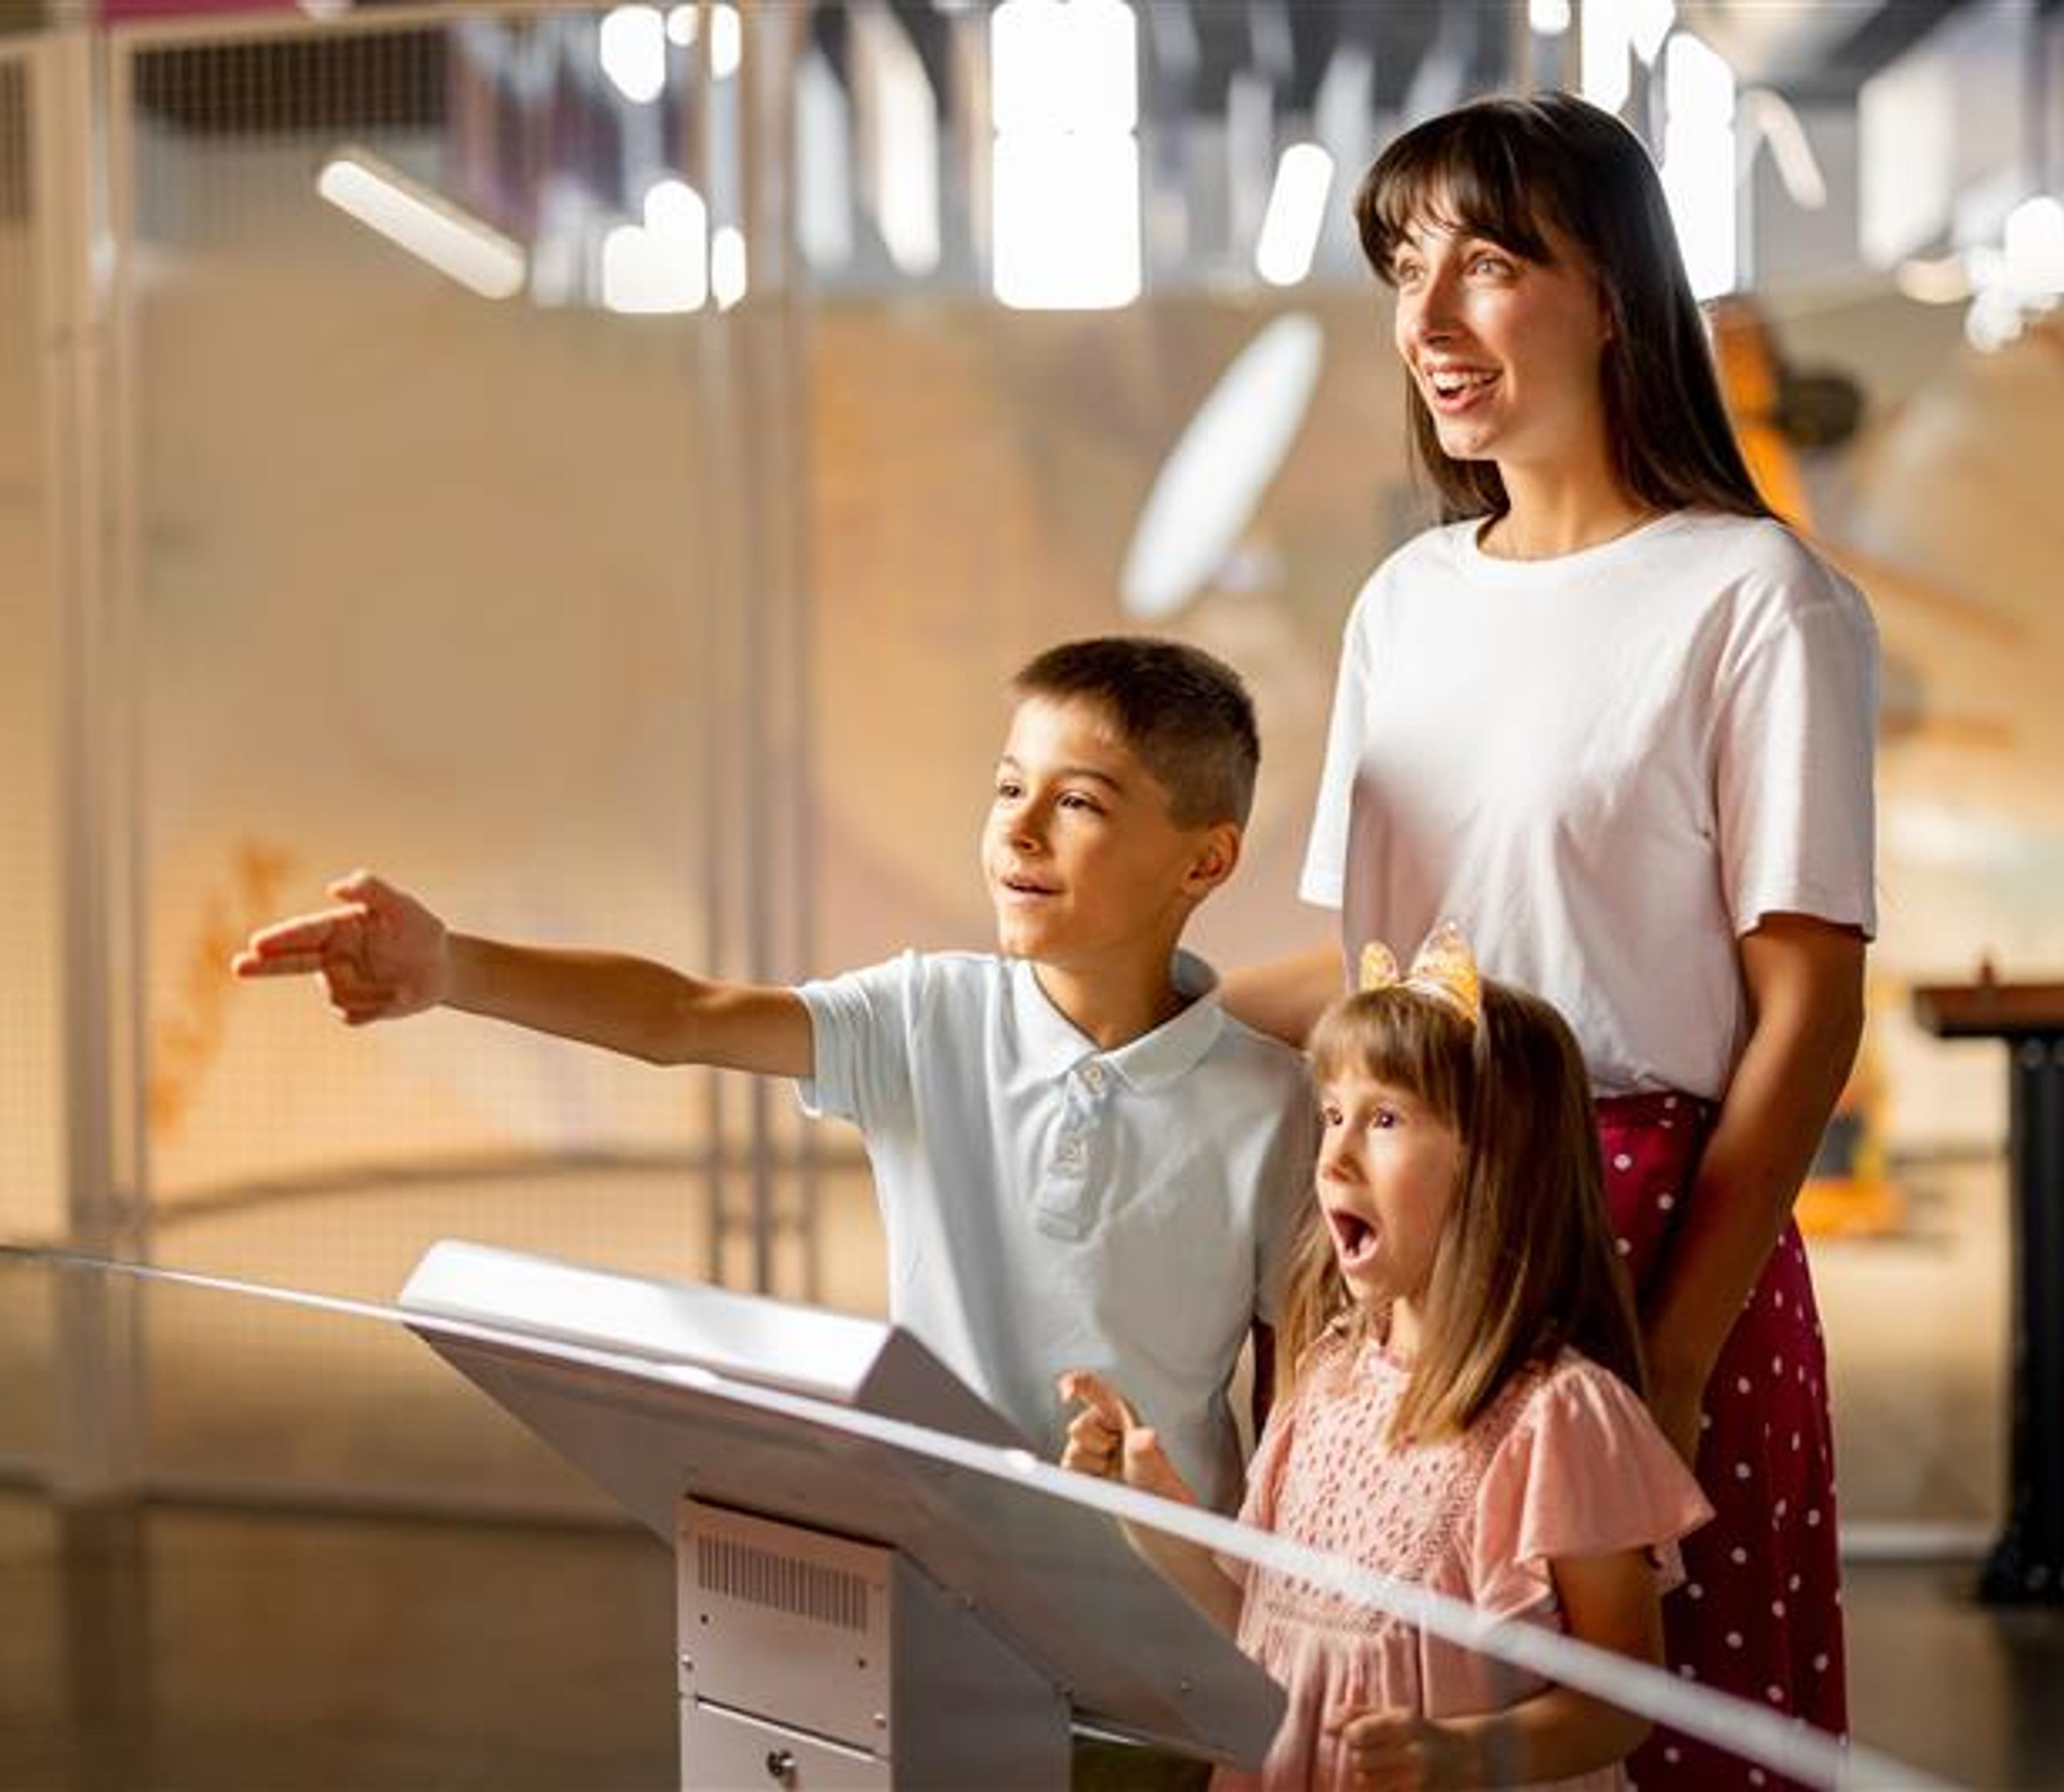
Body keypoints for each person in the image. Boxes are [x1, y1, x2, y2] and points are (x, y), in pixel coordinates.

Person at [1224, 93, 1877, 1781]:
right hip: (1417, 1246)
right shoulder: (1407, 603)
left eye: (1489, 264)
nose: (1427, 322)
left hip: (1648, 1234)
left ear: (1613, 294)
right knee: (1387, 1707)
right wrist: (1119, 1013)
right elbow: (1384, 979)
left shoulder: (1757, 598)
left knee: (1663, 1736)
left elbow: (1805, 1015)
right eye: (1403, 269)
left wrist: (1669, 1355)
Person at [234, 635, 1314, 1513]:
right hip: (934, 1570)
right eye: (1006, 788)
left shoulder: (1275, 1107)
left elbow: (1303, 1392)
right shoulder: (924, 1013)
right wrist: (453, 965)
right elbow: (681, 1016)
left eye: (1078, 803)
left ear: (1205, 861)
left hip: (1159, 1614)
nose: (1018, 831)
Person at [1063, 927, 1711, 1791]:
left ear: (1498, 1164)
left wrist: (1471, 1754)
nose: (1333, 1154)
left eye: (1386, 1119)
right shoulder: (1325, 1383)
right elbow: (1266, 1638)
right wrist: (1145, 1512)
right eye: (1332, 1114)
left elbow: (1621, 1699)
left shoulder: (1561, 1418)